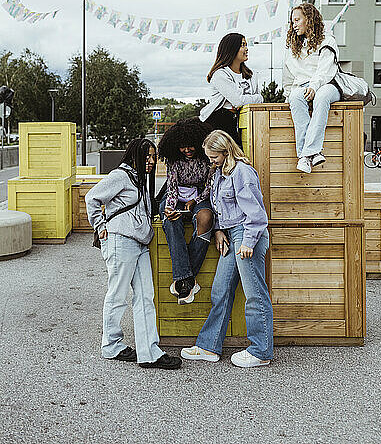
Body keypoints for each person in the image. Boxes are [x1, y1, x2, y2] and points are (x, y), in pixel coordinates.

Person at [85, 138, 181, 370]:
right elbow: (92, 197)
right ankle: (111, 345)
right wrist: (99, 226)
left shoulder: (139, 180)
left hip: (139, 244)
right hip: (120, 241)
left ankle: (150, 352)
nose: (150, 161)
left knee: (145, 296)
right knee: (117, 295)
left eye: (153, 157)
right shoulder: (121, 176)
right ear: (134, 156)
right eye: (146, 157)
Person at [181, 130, 273, 368]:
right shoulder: (220, 173)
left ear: (226, 150)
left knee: (255, 294)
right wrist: (218, 230)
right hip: (232, 233)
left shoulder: (243, 172)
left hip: (247, 234)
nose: (210, 161)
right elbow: (219, 207)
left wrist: (248, 242)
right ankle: (209, 346)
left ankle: (261, 350)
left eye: (213, 156)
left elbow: (256, 214)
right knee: (220, 290)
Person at [158, 118, 214, 304]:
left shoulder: (207, 158)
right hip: (174, 197)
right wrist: (169, 208)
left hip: (198, 196)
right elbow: (171, 188)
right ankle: (187, 282)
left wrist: (194, 201)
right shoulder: (173, 161)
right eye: (183, 147)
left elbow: (210, 186)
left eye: (191, 146)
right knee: (171, 221)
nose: (187, 150)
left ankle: (183, 279)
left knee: (206, 217)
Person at [282, 2, 340, 174]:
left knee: (322, 97)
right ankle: (311, 155)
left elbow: (325, 70)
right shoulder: (294, 46)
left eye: (297, 20)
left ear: (309, 19)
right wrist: (288, 95)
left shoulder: (327, 41)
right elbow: (289, 75)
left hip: (328, 84)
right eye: (292, 22)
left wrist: (314, 86)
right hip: (304, 86)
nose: (294, 25)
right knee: (295, 97)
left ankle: (306, 153)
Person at [199, 33, 263, 147]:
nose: (246, 49)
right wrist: (257, 98)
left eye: (246, 45)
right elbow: (238, 101)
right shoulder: (220, 74)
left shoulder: (251, 75)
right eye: (242, 45)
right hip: (219, 120)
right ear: (232, 49)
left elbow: (258, 100)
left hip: (243, 120)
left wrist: (257, 98)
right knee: (233, 156)